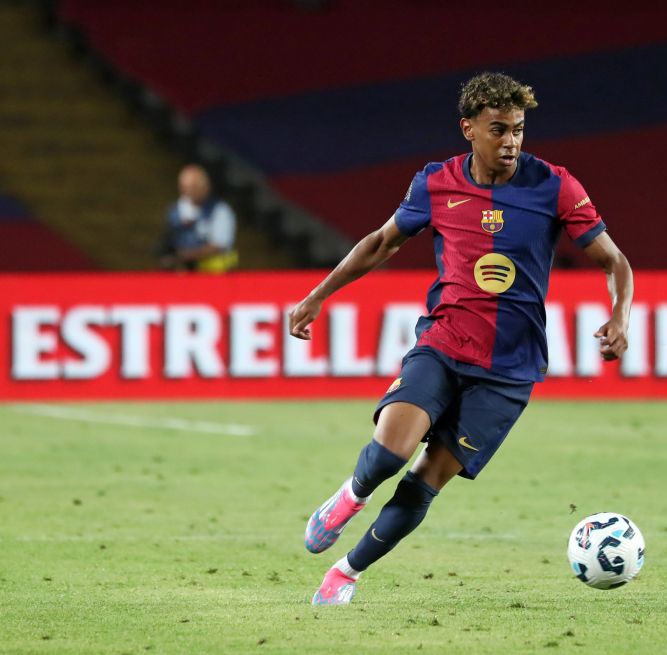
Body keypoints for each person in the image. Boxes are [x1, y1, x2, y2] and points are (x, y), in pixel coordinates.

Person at [288, 72, 634, 606]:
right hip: (445, 343)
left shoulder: (555, 185)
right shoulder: (436, 183)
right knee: (391, 450)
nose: (512, 142)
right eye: (499, 130)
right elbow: (381, 243)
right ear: (469, 129)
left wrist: (620, 314)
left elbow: (614, 260)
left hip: (510, 370)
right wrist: (317, 295)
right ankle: (349, 496)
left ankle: (347, 572)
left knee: (426, 479)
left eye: (519, 129)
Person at [157, 164, 238, 272]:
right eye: (185, 187)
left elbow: (219, 245)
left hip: (214, 273)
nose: (190, 191)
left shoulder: (219, 210)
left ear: (206, 186)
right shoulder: (175, 210)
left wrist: (185, 256)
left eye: (194, 186)